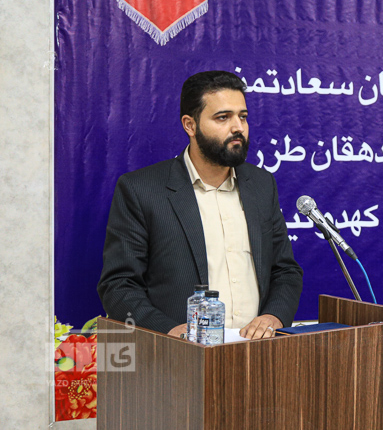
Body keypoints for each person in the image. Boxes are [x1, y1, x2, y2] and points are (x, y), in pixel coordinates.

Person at [97, 71, 303, 340]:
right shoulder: (142, 190)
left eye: (242, 116)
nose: (238, 127)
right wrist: (170, 331)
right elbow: (118, 285)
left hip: (257, 351)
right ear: (190, 125)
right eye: (223, 117)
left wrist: (273, 317)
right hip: (180, 354)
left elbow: (285, 271)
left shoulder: (262, 185)